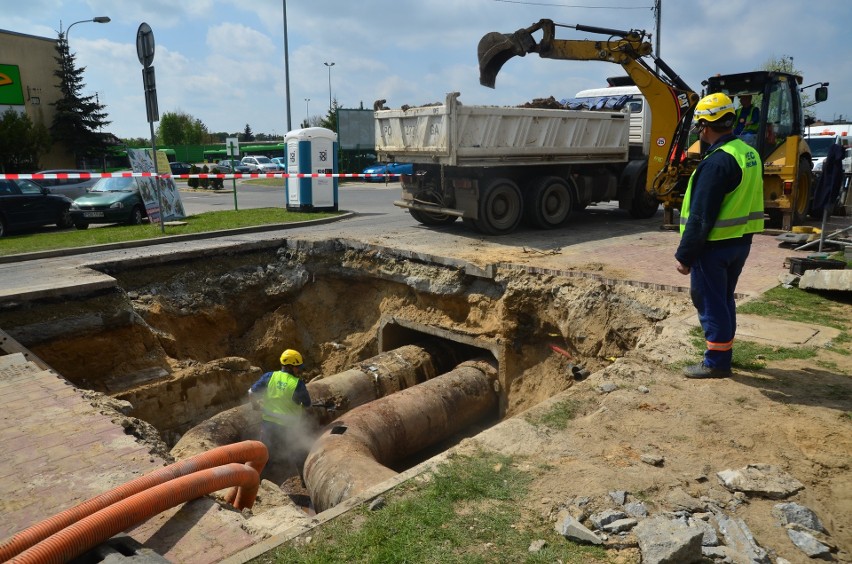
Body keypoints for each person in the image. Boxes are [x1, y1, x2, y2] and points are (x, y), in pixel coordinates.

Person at [675, 93, 764, 379]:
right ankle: (724, 352)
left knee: (710, 301)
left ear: (704, 125)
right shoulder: (747, 153)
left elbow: (700, 217)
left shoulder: (715, 163)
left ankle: (716, 362)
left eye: (700, 126)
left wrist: (685, 255)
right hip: (740, 242)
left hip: (713, 247)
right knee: (724, 298)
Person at [248, 349, 312, 475]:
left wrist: (255, 405)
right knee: (297, 452)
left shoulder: (270, 376)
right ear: (290, 366)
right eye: (297, 367)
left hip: (269, 425)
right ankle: (304, 480)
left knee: (263, 454)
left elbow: (251, 392)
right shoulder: (297, 384)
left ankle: (255, 480)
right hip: (289, 427)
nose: (299, 370)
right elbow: (307, 404)